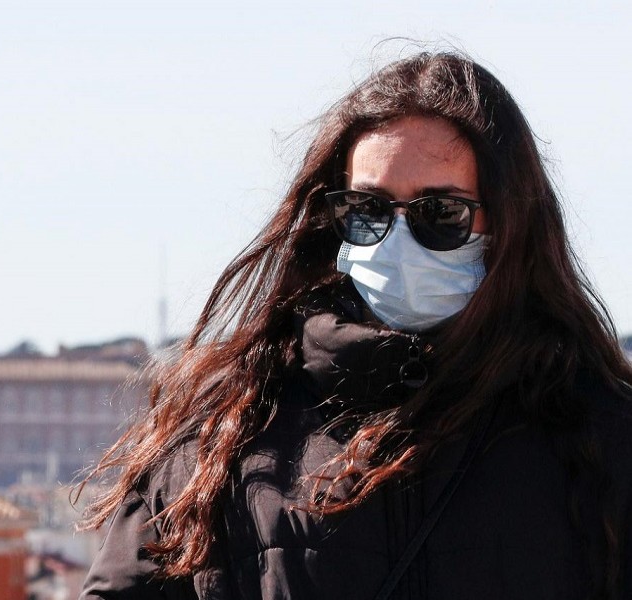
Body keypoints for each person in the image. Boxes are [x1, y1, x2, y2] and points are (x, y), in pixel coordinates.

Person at [76, 51, 632, 599]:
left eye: (440, 212)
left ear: (509, 225)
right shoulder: (226, 436)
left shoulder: (600, 433)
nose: (397, 239)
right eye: (368, 210)